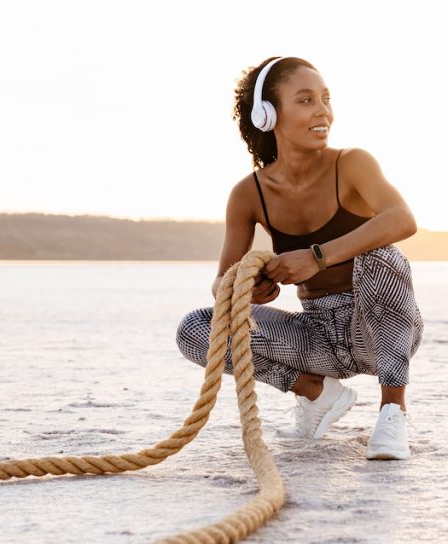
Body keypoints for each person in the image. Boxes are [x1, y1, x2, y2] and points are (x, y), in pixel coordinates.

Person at [175, 56, 424, 460]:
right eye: (305, 100)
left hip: (378, 334)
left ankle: (393, 411)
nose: (323, 110)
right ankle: (317, 393)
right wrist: (247, 286)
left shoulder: (353, 164)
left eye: (325, 99)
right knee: (195, 329)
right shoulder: (248, 194)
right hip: (315, 336)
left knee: (383, 255)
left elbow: (403, 219)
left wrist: (317, 257)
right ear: (267, 115)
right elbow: (222, 282)